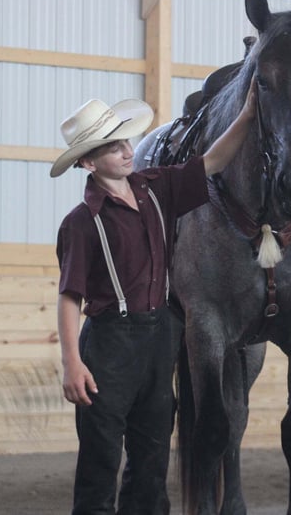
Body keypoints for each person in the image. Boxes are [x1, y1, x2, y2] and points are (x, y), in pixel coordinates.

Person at [50, 79, 257, 515]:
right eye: (112, 147)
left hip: (160, 338)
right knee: (101, 462)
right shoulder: (81, 223)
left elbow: (215, 160)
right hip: (108, 345)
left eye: (126, 142)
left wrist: (249, 112)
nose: (127, 151)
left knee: (151, 462)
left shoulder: (157, 187)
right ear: (88, 161)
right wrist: (72, 361)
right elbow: (70, 296)